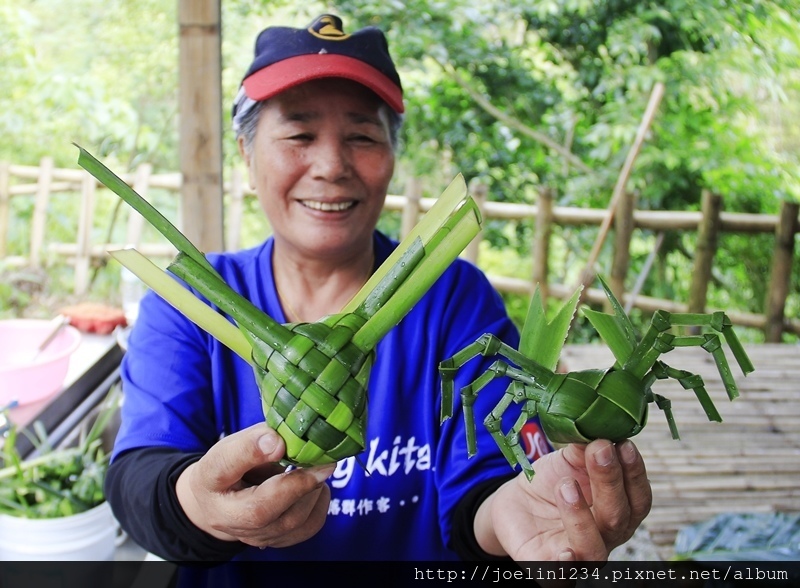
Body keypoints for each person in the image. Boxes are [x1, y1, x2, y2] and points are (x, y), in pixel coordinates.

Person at [105, 13, 651, 565]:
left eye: (363, 136)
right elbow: (139, 475)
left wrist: (513, 514)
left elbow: (493, 479)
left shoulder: (453, 300)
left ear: (391, 157)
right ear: (247, 155)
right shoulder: (192, 305)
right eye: (298, 134)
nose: (331, 165)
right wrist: (197, 503)